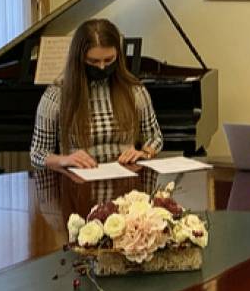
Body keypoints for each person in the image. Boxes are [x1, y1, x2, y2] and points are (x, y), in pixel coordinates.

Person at [29, 18, 164, 174]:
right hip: (79, 181)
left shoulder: (135, 90)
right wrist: (63, 160)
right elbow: (37, 154)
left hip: (126, 179)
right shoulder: (56, 95)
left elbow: (155, 138)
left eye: (109, 60)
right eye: (93, 61)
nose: (102, 67)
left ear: (118, 56)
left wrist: (144, 153)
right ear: (79, 59)